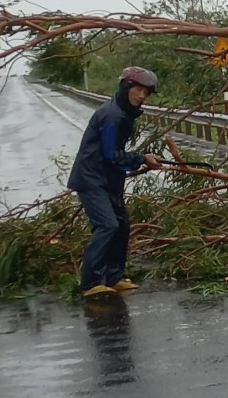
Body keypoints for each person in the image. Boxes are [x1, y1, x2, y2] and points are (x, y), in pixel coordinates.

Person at [67, 66, 163, 299]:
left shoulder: (123, 113)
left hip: (108, 179)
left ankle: (114, 277)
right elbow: (112, 155)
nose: (142, 96)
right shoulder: (112, 116)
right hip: (92, 180)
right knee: (107, 226)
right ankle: (90, 283)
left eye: (146, 93)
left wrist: (140, 160)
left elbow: (115, 156)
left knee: (121, 226)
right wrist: (142, 158)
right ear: (126, 88)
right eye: (139, 90)